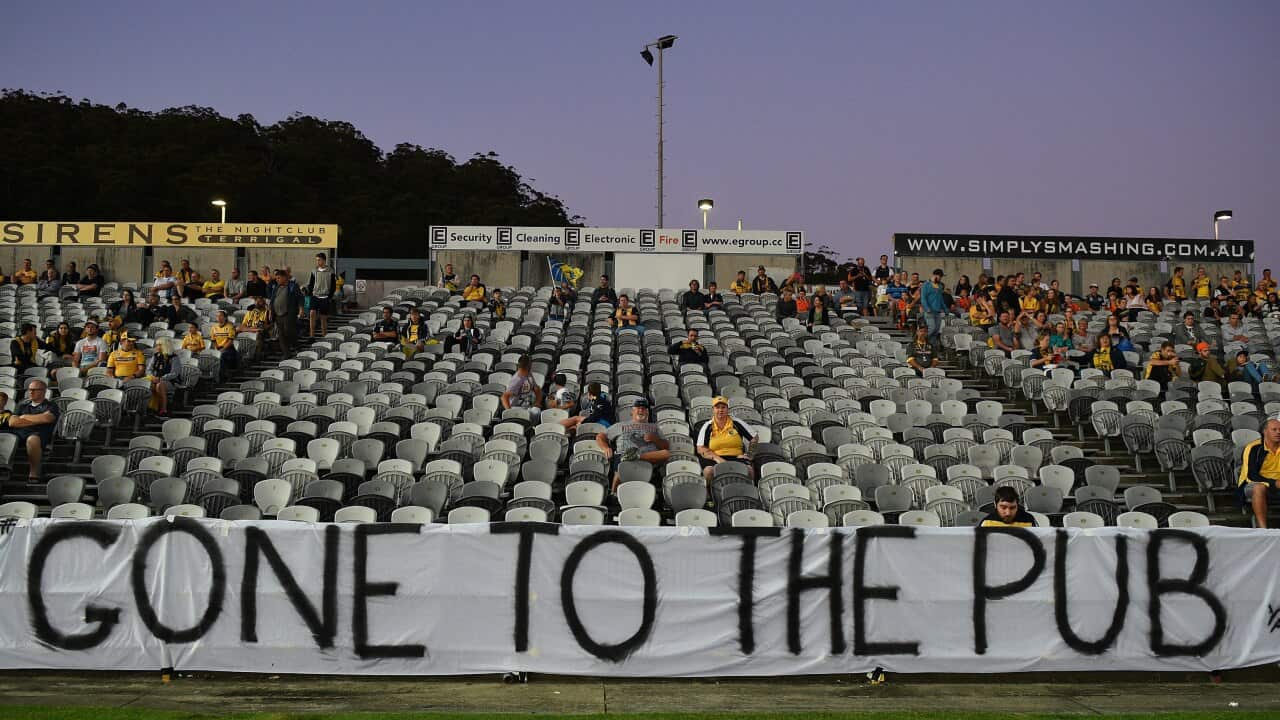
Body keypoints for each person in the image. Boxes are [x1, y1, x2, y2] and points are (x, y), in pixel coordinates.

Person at [598, 398, 670, 491]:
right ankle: (614, 493)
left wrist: (654, 439)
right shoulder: (620, 425)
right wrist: (605, 447)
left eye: (644, 408)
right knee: (623, 462)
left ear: (647, 412)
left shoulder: (655, 427)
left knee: (666, 453)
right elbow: (600, 436)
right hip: (623, 454)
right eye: (638, 408)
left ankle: (635, 456)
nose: (641, 410)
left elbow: (665, 446)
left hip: (648, 458)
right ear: (633, 411)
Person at [695, 396, 756, 485]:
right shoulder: (707, 426)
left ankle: (749, 491)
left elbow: (754, 437)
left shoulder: (736, 423)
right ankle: (709, 494)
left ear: (728, 409)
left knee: (749, 470)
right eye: (717, 407)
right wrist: (717, 458)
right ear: (713, 409)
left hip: (736, 457)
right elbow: (700, 448)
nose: (720, 410)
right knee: (708, 471)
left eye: (723, 407)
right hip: (715, 457)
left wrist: (750, 454)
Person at [7, 380, 59, 481]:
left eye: (34, 390)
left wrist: (24, 417)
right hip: (20, 433)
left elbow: (47, 418)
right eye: (30, 389)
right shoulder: (22, 406)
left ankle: (34, 472)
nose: (31, 392)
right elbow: (12, 422)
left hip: (40, 435)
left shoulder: (50, 405)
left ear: (43, 391)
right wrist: (37, 419)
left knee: (32, 439)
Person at [1238, 418, 1280, 528]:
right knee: (1259, 487)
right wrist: (1274, 483)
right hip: (1253, 483)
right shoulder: (1253, 448)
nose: (1278, 432)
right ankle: (1263, 529)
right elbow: (1251, 475)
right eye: (1274, 429)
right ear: (1265, 431)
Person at [146, 337, 182, 417]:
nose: (157, 347)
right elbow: (149, 369)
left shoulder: (174, 357)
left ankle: (163, 409)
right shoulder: (155, 356)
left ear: (165, 346)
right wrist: (152, 377)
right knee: (148, 384)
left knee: (160, 385)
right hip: (155, 379)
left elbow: (174, 373)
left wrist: (160, 379)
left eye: (159, 345)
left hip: (170, 381)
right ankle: (151, 408)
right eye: (157, 345)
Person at [270, 269, 302, 354]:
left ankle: (296, 345)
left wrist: (301, 309)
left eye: (279, 278)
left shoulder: (293, 286)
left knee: (288, 331)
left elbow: (300, 298)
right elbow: (272, 300)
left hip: (289, 313)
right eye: (276, 278)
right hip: (277, 314)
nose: (277, 280)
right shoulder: (276, 288)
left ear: (284, 277)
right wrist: (271, 311)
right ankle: (286, 353)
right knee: (281, 335)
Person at [502, 356, 542, 421]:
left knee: (537, 411)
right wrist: (509, 412)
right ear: (528, 365)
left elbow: (537, 389)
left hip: (528, 406)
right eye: (530, 364)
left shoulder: (528, 374)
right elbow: (504, 397)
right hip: (516, 407)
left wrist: (537, 402)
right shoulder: (516, 379)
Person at [306, 252, 337, 339]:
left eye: (319, 260)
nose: (317, 262)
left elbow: (333, 285)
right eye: (316, 260)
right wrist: (310, 293)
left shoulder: (330, 271)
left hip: (325, 297)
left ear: (324, 260)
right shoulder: (314, 271)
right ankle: (311, 335)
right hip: (315, 296)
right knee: (312, 314)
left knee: (323, 318)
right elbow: (311, 283)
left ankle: (324, 336)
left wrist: (329, 297)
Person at [920, 268, 947, 346]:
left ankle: (931, 346)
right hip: (929, 312)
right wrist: (927, 308)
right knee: (932, 328)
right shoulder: (926, 285)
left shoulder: (940, 286)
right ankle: (920, 341)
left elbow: (941, 298)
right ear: (935, 276)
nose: (941, 278)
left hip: (937, 311)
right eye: (940, 276)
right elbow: (923, 298)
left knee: (936, 331)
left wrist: (945, 308)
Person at [210, 310, 238, 381]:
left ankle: (221, 377)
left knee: (221, 355)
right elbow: (213, 341)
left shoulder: (230, 327)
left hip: (229, 349)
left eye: (221, 316)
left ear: (225, 317)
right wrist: (217, 349)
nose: (219, 317)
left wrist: (222, 350)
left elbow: (230, 341)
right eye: (217, 316)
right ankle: (213, 376)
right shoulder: (214, 328)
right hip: (219, 348)